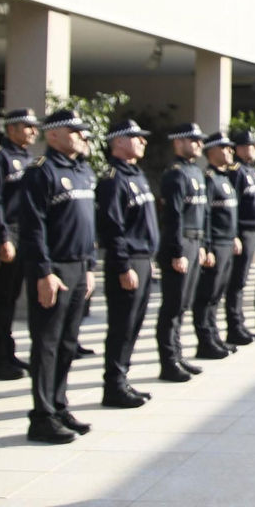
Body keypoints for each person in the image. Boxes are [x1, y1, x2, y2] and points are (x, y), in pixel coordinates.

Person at [16, 108, 98, 444]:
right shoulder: (41, 171)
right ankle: (42, 415)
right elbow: (33, 228)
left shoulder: (81, 169)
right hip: (56, 269)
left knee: (67, 344)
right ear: (53, 135)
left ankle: (59, 405)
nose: (81, 136)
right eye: (74, 131)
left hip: (79, 267)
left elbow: (87, 225)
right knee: (47, 344)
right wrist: (44, 272)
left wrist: (90, 267)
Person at [96, 119, 158, 409]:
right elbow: (112, 228)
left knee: (133, 325)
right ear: (118, 142)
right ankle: (114, 385)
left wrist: (149, 259)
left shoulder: (136, 174)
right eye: (136, 137)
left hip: (142, 259)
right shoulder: (113, 178)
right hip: (127, 261)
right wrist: (123, 266)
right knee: (121, 325)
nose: (143, 141)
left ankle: (123, 379)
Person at [0, 107, 37, 381]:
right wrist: (2, 238)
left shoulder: (29, 158)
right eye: (27, 126)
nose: (33, 131)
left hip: (26, 234)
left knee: (13, 298)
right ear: (12, 128)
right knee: (2, 299)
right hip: (10, 233)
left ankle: (9, 352)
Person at [156, 123, 209, 382]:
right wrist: (177, 251)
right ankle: (168, 361)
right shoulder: (175, 174)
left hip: (194, 242)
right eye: (194, 140)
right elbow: (173, 217)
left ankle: (178, 355)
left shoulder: (195, 172)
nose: (199, 144)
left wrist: (202, 245)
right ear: (178, 143)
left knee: (183, 305)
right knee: (173, 306)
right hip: (180, 243)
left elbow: (203, 213)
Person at [193, 131, 240, 358]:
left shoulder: (224, 177)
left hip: (226, 242)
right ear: (211, 152)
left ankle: (214, 336)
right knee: (207, 295)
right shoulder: (209, 178)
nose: (230, 151)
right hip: (215, 244)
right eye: (225, 148)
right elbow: (206, 215)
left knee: (217, 294)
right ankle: (205, 341)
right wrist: (208, 246)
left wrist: (234, 236)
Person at [225, 129, 255, 347]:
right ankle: (234, 326)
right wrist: (235, 235)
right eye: (251, 145)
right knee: (237, 282)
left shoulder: (251, 170)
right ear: (239, 148)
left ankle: (240, 324)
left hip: (252, 233)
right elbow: (235, 206)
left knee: (242, 281)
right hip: (242, 232)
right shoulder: (237, 171)